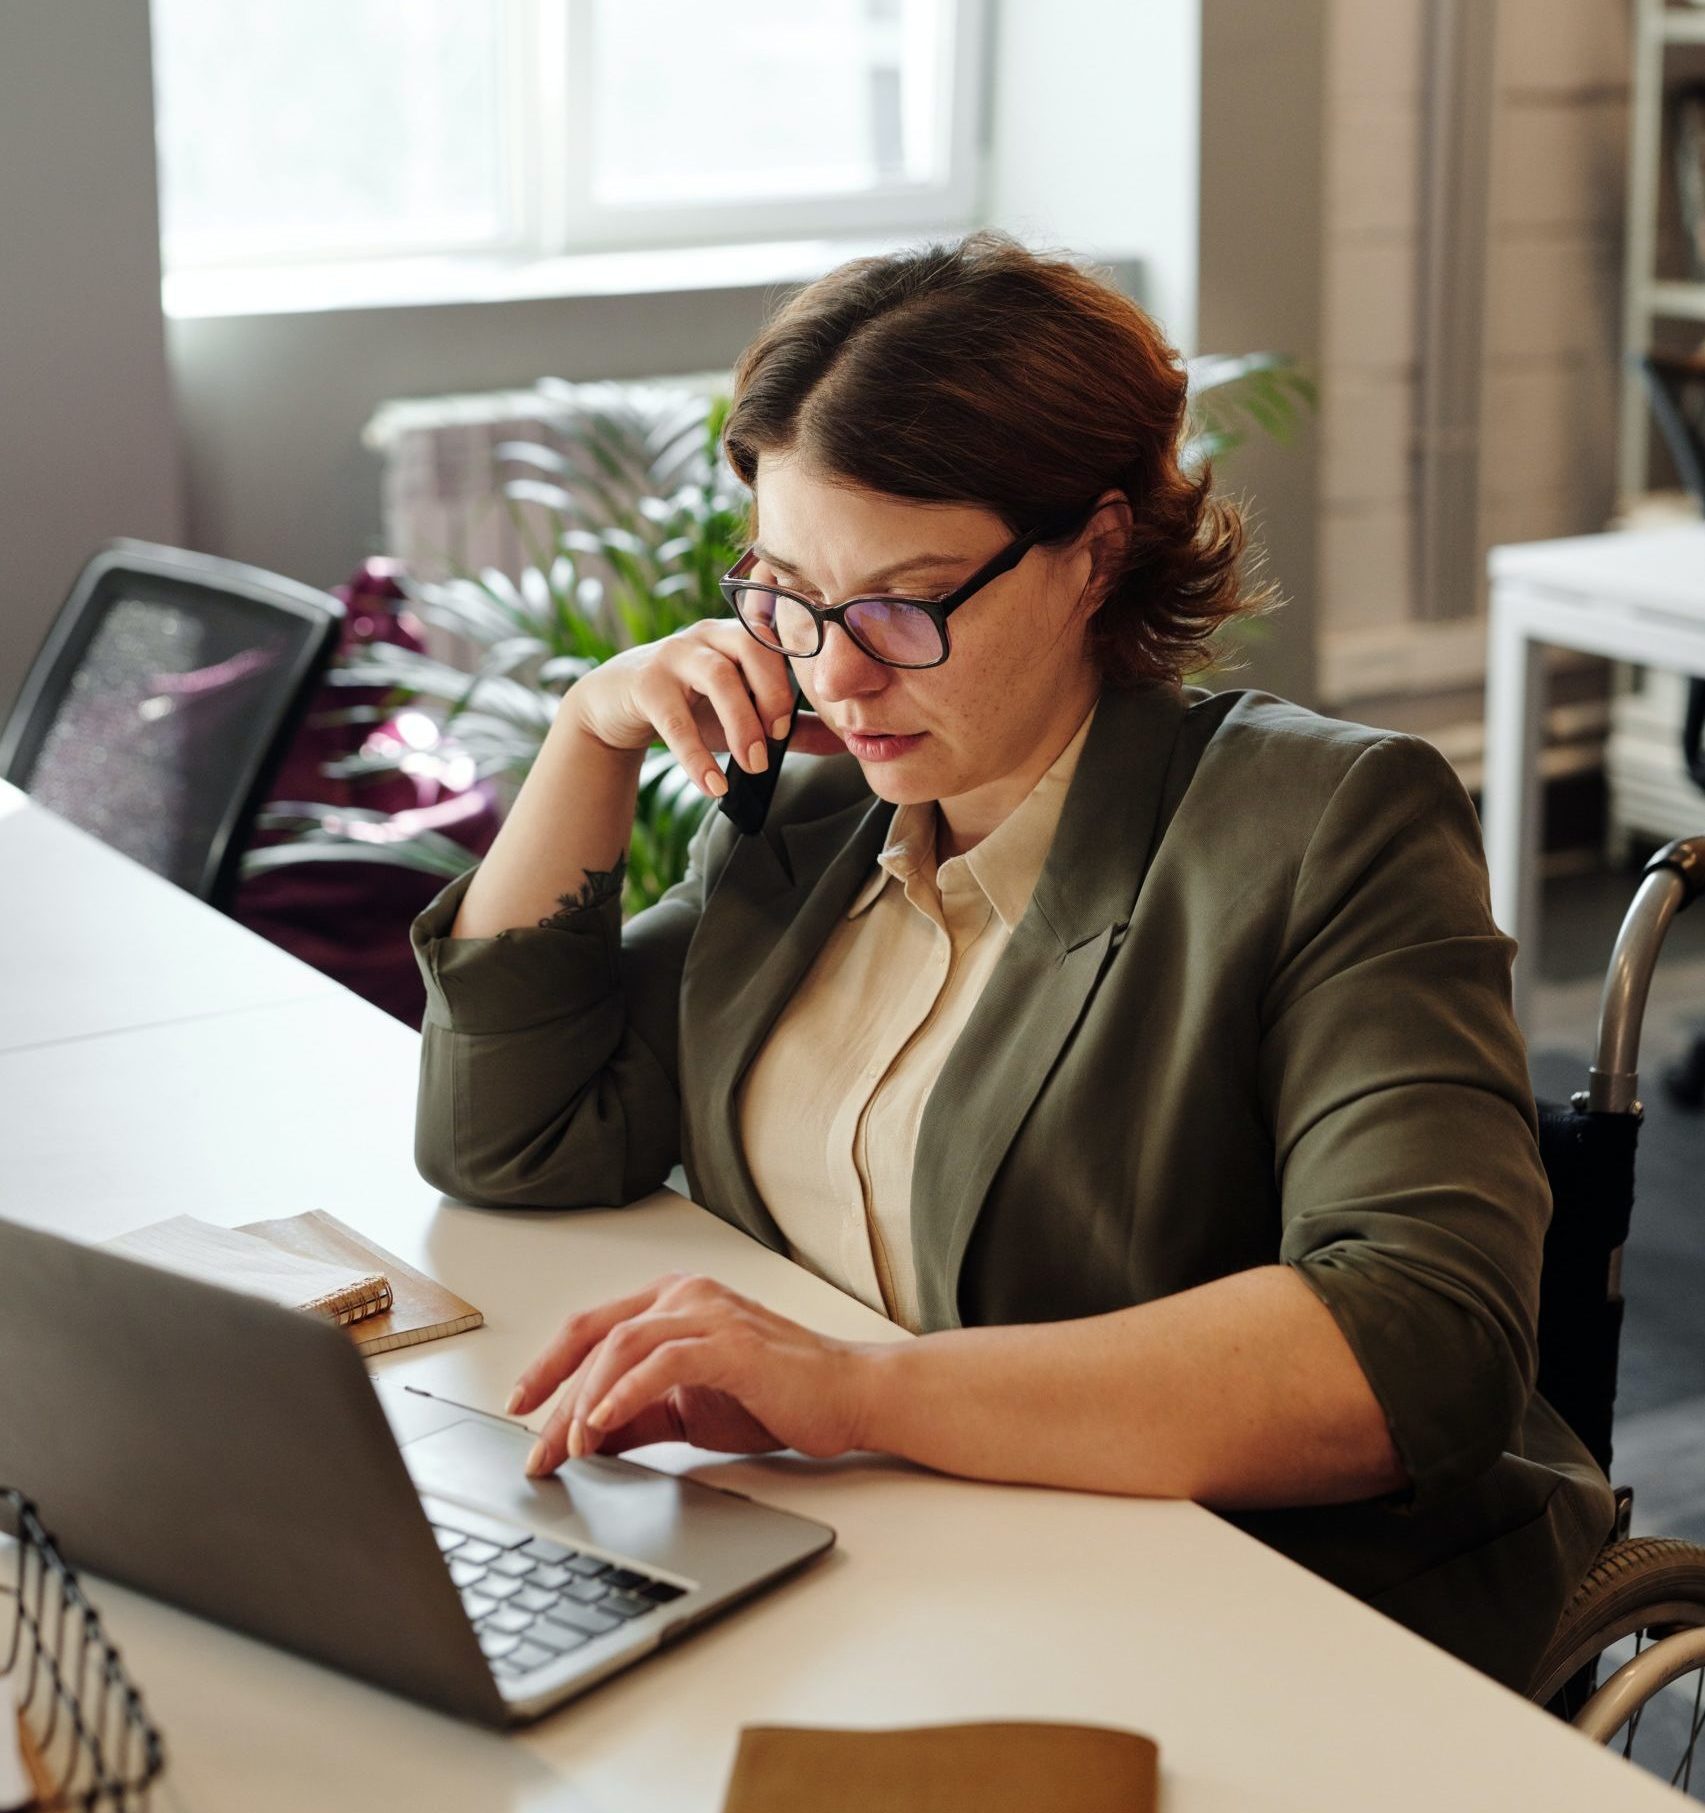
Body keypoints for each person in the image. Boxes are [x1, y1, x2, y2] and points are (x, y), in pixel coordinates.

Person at [408, 228, 1614, 1695]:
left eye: (903, 606)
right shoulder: (812, 812)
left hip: (1243, 1626)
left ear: (1093, 553)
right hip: (878, 1582)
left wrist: (854, 1390)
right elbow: (512, 1136)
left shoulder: (1319, 824)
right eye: (784, 593)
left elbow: (1417, 1339)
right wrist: (584, 737)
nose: (834, 673)